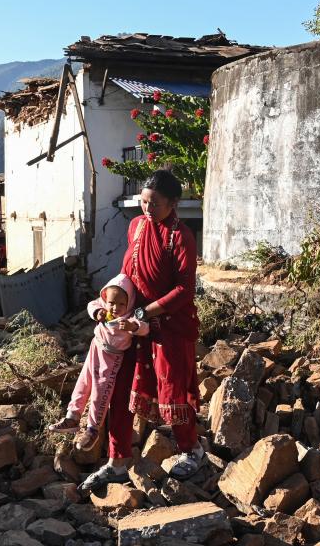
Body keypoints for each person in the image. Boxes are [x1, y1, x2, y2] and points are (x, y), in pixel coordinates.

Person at [80, 170, 203, 491]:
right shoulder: (136, 227)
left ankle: (192, 450)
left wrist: (145, 312)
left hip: (168, 326)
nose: (147, 209)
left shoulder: (180, 236)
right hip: (132, 326)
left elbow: (184, 290)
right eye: (144, 202)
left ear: (173, 203)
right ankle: (117, 460)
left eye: (155, 204)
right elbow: (127, 273)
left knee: (173, 390)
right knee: (119, 389)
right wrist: (109, 304)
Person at [47, 273, 148, 451]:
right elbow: (92, 304)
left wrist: (134, 327)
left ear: (129, 302)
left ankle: (93, 429)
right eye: (111, 303)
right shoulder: (105, 309)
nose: (115, 308)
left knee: (101, 391)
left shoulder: (130, 317)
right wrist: (97, 312)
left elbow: (145, 328)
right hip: (96, 348)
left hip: (112, 357)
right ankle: (72, 416)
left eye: (121, 304)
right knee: (83, 382)